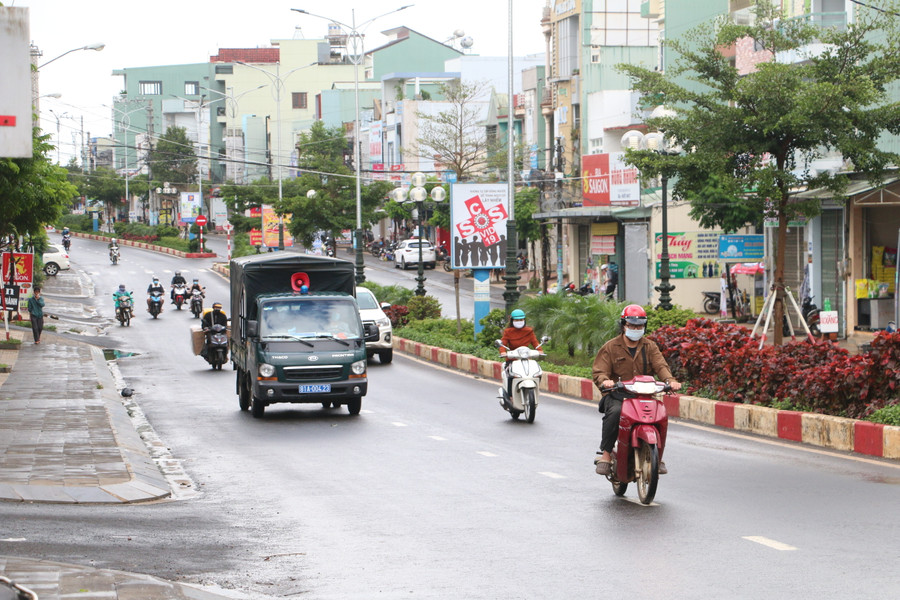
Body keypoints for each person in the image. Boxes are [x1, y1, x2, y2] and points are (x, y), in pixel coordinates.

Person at [591, 304, 681, 476]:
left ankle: (658, 456)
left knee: (660, 415)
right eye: (632, 325)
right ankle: (606, 454)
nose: (636, 329)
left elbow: (660, 366)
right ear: (623, 325)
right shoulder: (610, 347)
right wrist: (605, 381)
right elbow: (600, 371)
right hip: (618, 395)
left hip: (645, 395)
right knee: (615, 413)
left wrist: (670, 381)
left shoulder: (650, 346)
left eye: (639, 326)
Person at [499, 309, 541, 402]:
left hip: (526, 358)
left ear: (524, 320)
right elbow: (503, 344)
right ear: (512, 321)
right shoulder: (508, 331)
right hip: (512, 358)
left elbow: (535, 342)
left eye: (521, 319)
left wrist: (540, 350)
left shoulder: (529, 331)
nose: (519, 322)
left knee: (538, 372)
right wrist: (503, 352)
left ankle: (536, 389)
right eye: (516, 320)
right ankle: (510, 396)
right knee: (510, 374)